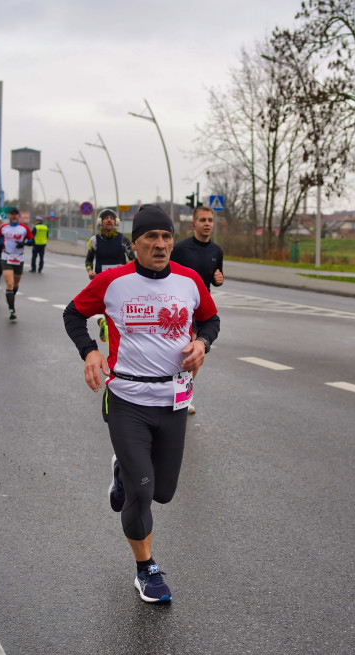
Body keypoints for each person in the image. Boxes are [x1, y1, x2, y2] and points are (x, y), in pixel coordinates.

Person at [62, 204, 220, 603]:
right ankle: (145, 569)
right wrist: (90, 352)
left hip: (173, 401)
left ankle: (121, 471)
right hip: (127, 400)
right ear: (136, 244)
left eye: (167, 237)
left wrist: (202, 343)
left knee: (164, 492)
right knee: (143, 492)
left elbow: (211, 319)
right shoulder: (114, 281)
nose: (162, 244)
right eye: (152, 237)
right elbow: (72, 314)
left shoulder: (188, 281)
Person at [169, 205, 225, 414]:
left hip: (204, 308)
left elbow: (215, 276)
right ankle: (179, 397)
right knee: (186, 353)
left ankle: (183, 396)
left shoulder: (216, 251)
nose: (207, 224)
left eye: (210, 220)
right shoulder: (181, 249)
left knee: (197, 357)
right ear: (194, 224)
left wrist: (219, 280)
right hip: (184, 308)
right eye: (203, 220)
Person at [85, 208, 135, 341]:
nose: (109, 220)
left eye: (111, 218)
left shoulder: (123, 240)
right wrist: (90, 271)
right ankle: (106, 325)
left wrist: (125, 266)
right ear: (100, 222)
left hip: (121, 280)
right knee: (107, 308)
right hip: (101, 280)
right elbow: (88, 260)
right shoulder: (94, 240)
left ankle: (106, 325)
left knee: (118, 308)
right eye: (106, 218)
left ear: (115, 222)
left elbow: (133, 259)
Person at [0, 207, 34, 320]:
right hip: (6, 257)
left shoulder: (24, 228)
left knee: (16, 284)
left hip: (19, 258)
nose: (14, 216)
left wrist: (25, 243)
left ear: (19, 216)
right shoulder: (3, 228)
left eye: (15, 214)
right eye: (11, 214)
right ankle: (12, 309)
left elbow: (32, 240)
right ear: (8, 216)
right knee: (9, 283)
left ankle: (11, 297)